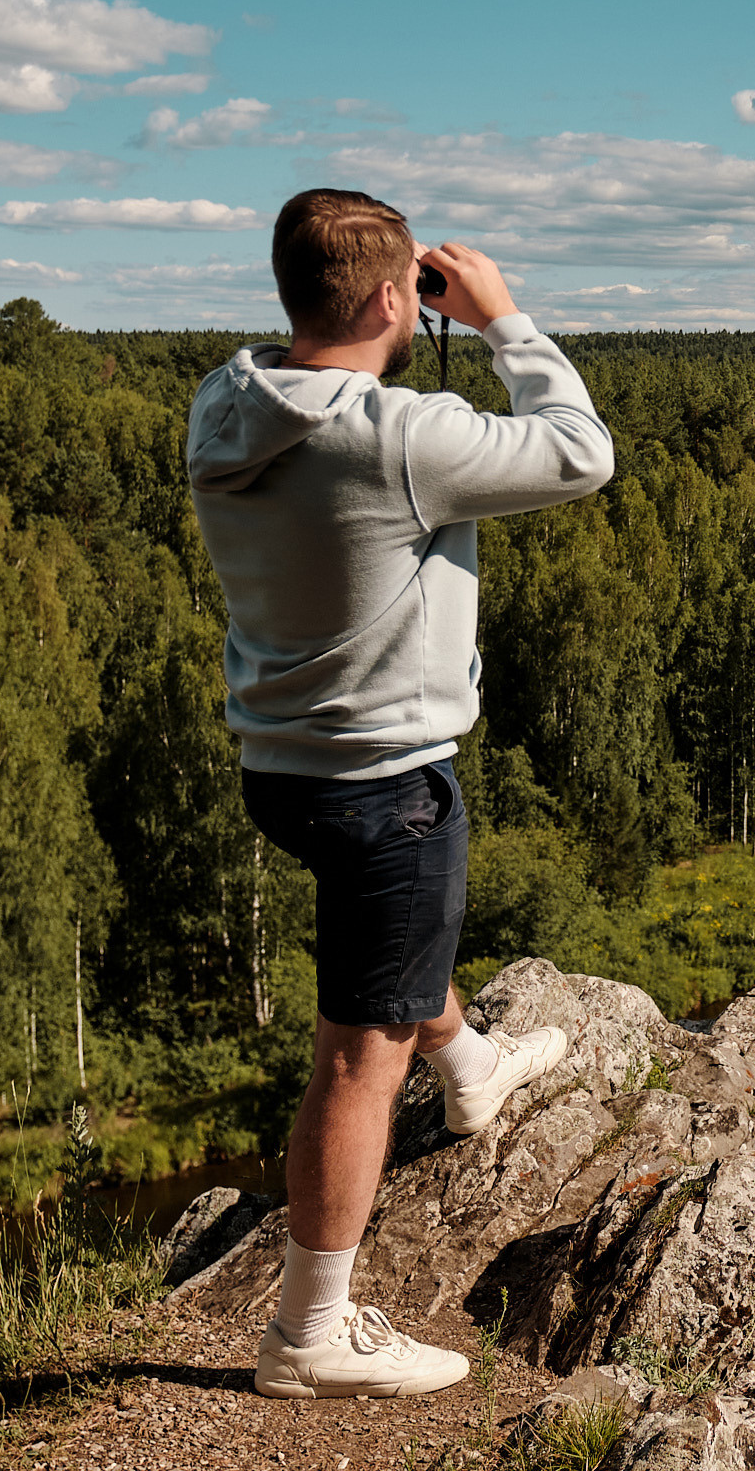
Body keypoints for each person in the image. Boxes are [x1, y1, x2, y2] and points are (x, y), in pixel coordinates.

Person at [185, 188, 613, 1398]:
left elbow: (317, 377)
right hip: (384, 785)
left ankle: (470, 1066)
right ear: (391, 299)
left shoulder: (224, 404)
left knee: (395, 959)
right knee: (356, 1056)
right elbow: (583, 453)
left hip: (283, 765)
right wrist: (502, 321)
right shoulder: (400, 435)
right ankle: (309, 1331)